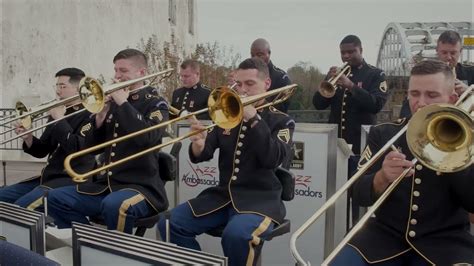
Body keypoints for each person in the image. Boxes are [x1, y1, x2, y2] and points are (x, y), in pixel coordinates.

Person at [331, 59, 474, 265]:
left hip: (445, 243)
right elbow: (357, 193)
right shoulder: (384, 133)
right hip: (382, 238)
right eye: (414, 94)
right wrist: (381, 177)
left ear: (452, 98)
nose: (421, 102)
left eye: (432, 95)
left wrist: (456, 158)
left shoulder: (468, 141)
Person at [158, 57, 295, 266]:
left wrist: (253, 119)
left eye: (250, 84)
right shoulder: (227, 114)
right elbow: (203, 154)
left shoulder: (282, 121)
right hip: (223, 197)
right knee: (168, 223)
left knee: (237, 235)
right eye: (239, 84)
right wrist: (198, 143)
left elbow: (273, 158)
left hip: (260, 201)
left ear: (266, 84)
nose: (243, 90)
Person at [47, 49, 170, 234]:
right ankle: (89, 241)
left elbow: (148, 138)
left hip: (141, 187)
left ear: (142, 73)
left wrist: (123, 104)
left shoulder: (155, 104)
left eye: (123, 71)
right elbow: (89, 147)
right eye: (116, 70)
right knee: (55, 198)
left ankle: (118, 257)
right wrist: (101, 116)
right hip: (107, 185)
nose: (117, 76)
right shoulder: (113, 103)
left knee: (116, 205)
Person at [313, 34, 388, 225]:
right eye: (343, 53)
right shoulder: (335, 74)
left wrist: (351, 86)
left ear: (361, 50)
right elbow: (318, 104)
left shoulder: (375, 74)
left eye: (351, 52)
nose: (346, 56)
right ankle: (333, 228)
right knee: (334, 193)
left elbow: (376, 104)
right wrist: (328, 83)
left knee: (357, 194)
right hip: (336, 146)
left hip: (360, 147)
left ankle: (354, 232)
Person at [0, 68, 94, 211]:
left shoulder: (90, 114)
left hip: (71, 179)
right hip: (48, 177)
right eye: (57, 86)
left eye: (63, 86)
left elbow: (76, 148)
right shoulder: (59, 112)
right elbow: (43, 150)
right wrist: (28, 137)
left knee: (21, 207)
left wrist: (59, 119)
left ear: (78, 89)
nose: (57, 91)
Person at [399, 30, 474, 118]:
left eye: (453, 53)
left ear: (460, 51)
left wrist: (469, 92)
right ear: (437, 51)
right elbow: (407, 110)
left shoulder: (471, 72)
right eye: (444, 52)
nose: (449, 57)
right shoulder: (425, 74)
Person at [250, 38, 292, 113]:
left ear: (269, 53)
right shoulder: (247, 75)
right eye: (252, 55)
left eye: (259, 55)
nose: (255, 58)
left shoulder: (281, 77)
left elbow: (282, 108)